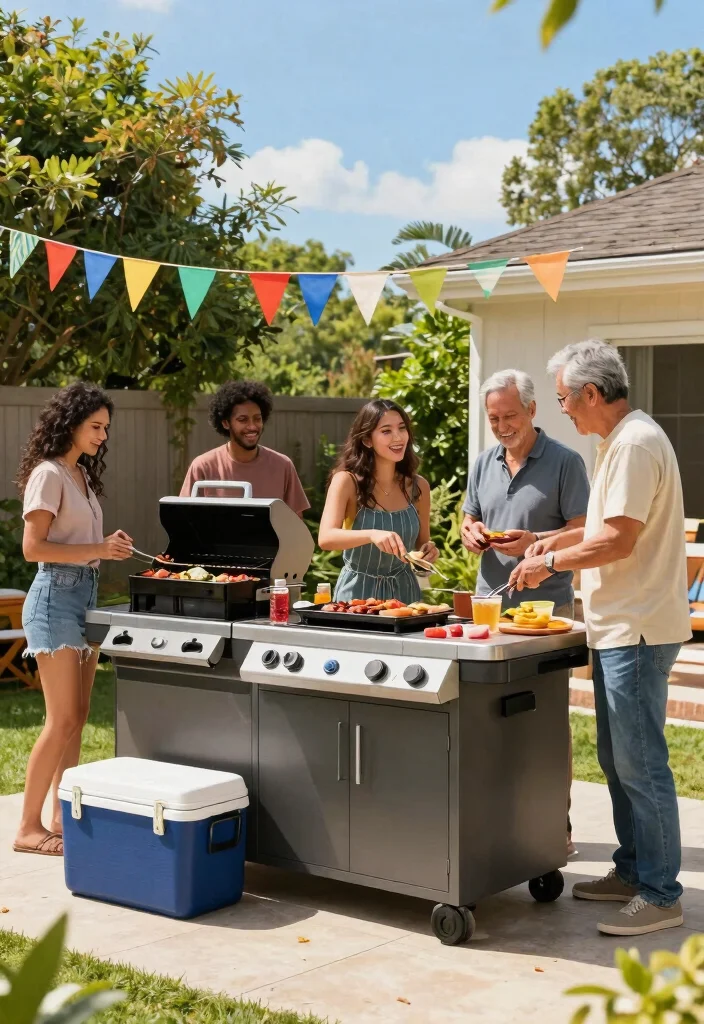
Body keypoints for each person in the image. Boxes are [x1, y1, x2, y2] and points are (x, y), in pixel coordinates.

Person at [510, 340, 691, 937]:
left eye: (563, 399)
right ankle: (635, 869)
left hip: (638, 629)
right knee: (617, 761)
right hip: (621, 625)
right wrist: (549, 545)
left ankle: (662, 893)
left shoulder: (636, 444)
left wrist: (550, 567)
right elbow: (597, 530)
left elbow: (618, 541)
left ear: (592, 393)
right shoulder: (619, 442)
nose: (562, 409)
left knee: (641, 765)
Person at [460, 369, 590, 857]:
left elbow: (584, 531)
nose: (501, 425)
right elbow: (470, 515)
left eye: (509, 415)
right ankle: (501, 823)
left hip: (546, 614)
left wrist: (535, 543)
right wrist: (470, 531)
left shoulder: (565, 462)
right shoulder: (483, 463)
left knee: (547, 722)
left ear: (533, 410)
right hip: (492, 609)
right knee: (489, 719)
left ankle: (556, 826)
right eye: (493, 417)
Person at [13, 384, 133, 857]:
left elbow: (81, 543)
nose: (103, 435)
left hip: (84, 595)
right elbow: (33, 549)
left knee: (79, 717)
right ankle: (27, 827)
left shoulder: (80, 475)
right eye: (96, 426)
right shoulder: (48, 474)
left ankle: (61, 816)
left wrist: (108, 547)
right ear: (71, 423)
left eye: (105, 428)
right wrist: (98, 549)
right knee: (60, 718)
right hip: (53, 600)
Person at [318, 399, 438, 602]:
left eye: (402, 428)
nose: (398, 437)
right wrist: (372, 535)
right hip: (357, 596)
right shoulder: (346, 481)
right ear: (367, 440)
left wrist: (429, 550)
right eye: (386, 431)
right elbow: (326, 538)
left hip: (405, 595)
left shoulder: (419, 487)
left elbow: (421, 542)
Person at [180, 379, 310, 517]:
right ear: (225, 423)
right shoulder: (203, 466)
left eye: (257, 419)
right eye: (243, 420)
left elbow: (295, 524)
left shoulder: (283, 466)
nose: (252, 426)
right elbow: (184, 520)